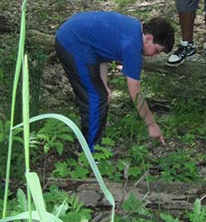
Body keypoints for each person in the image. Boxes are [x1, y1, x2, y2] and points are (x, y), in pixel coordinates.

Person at [55, 11, 175, 152]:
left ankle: (92, 146)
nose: (155, 55)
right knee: (95, 98)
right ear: (148, 39)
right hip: (72, 42)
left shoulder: (133, 29)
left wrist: (104, 84)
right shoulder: (133, 46)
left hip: (77, 39)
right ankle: (89, 153)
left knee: (101, 95)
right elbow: (135, 91)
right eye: (156, 51)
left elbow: (102, 51)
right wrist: (151, 125)